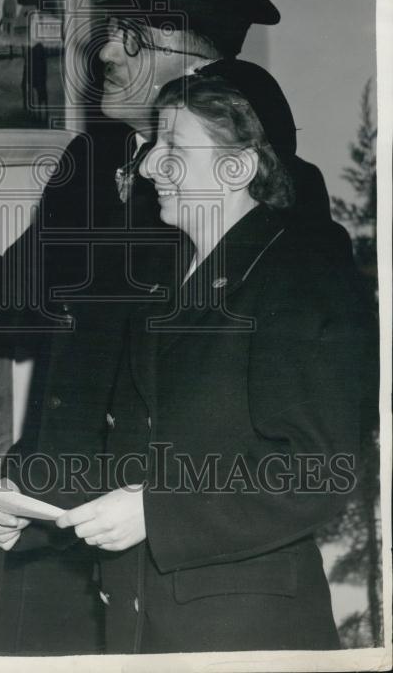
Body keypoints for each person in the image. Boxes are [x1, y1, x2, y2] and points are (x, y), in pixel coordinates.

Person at [0, 0, 348, 655]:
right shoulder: (93, 159)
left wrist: (159, 509)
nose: (103, 56)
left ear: (192, 68)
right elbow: (28, 305)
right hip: (55, 516)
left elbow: (283, 424)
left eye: (127, 39)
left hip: (179, 551)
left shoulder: (267, 196)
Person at [54, 68, 371, 652]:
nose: (149, 165)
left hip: (247, 630)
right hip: (143, 615)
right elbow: (142, 442)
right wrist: (33, 507)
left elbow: (319, 469)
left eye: (173, 146)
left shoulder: (300, 277)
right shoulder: (163, 274)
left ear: (239, 167)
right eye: (153, 145)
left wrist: (158, 514)